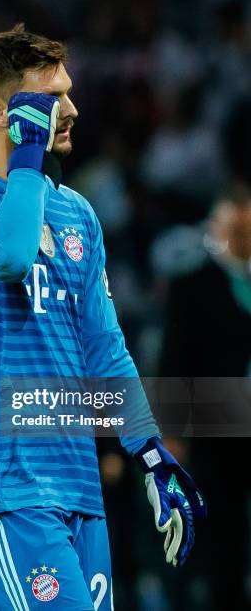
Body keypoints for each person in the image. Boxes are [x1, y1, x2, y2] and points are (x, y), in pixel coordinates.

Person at [0, 24, 206, 610]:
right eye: (52, 98)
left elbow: (105, 347)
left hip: (78, 486)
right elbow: (8, 255)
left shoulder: (78, 213)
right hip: (4, 487)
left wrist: (150, 453)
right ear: (2, 113)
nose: (71, 109)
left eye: (68, 92)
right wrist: (26, 157)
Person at [159, 184, 251, 610]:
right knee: (224, 537)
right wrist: (174, 432)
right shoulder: (194, 285)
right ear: (227, 220)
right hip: (221, 433)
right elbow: (175, 359)